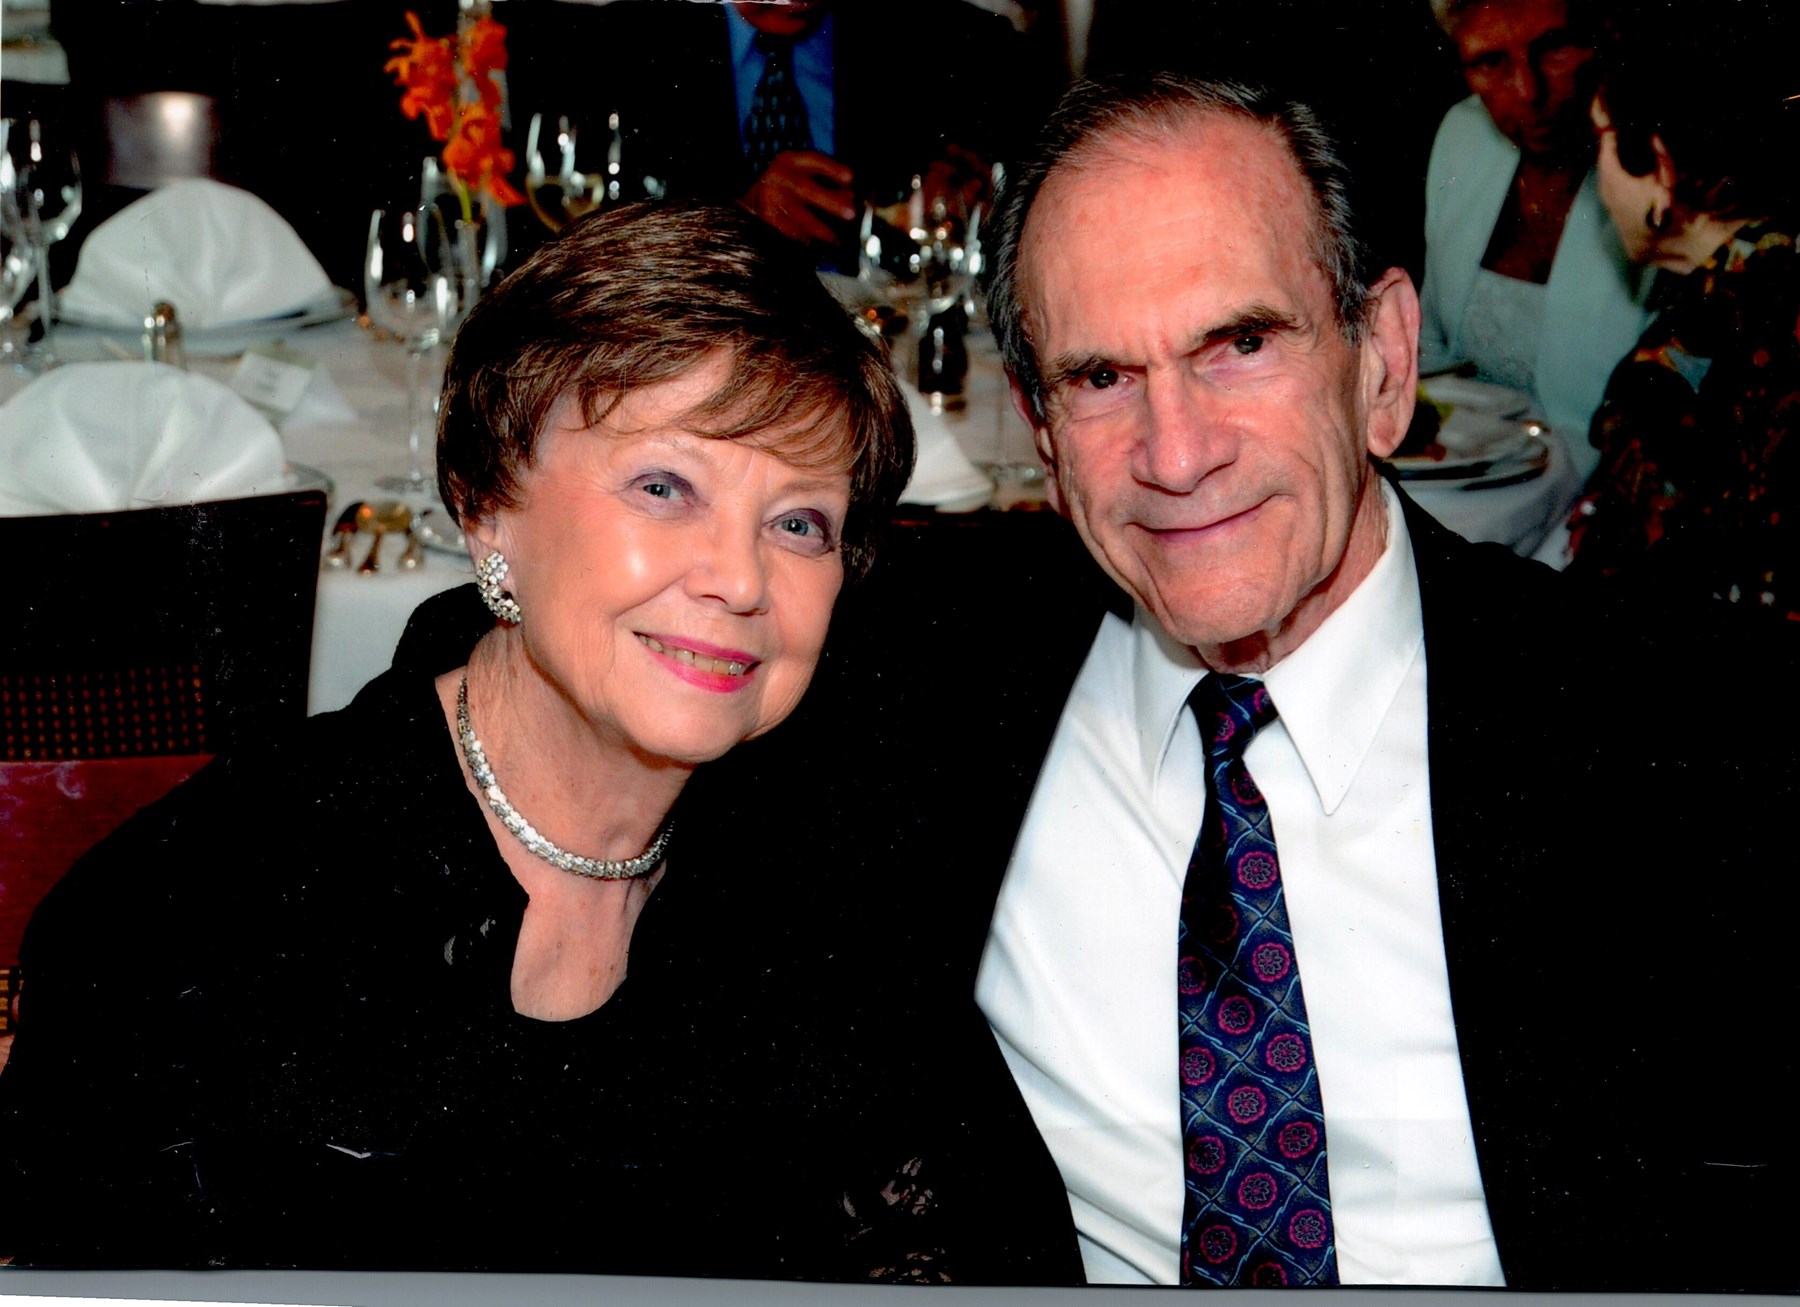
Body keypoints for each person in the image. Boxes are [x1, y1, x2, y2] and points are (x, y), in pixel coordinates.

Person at [809, 72, 1798, 1290]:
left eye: (1242, 343)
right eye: (1103, 377)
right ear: (1044, 436)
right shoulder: (920, 687)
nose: (1177, 455)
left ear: (1383, 362)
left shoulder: (1677, 745)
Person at [0, 200, 1080, 1283]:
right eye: (665, 487)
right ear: (487, 505)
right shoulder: (202, 917)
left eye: (798, 523)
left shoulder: (834, 888)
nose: (741, 579)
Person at [1565, 2, 1800, 618]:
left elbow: (1618, 611)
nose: (1599, 177)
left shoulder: (1676, 371)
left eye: (1601, 138)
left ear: (1662, 171)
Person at [506, 0, 1043, 264]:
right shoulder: (614, 45)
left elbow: (1022, 201)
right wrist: (735, 219)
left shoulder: (955, 40)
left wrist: (976, 194)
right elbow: (561, 248)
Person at [1418, 0, 1652, 482]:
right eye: (1491, 62)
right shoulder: (1464, 136)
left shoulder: (1650, 175)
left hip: (1600, 489)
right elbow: (1430, 339)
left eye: (1554, 48)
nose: (1527, 91)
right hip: (1453, 470)